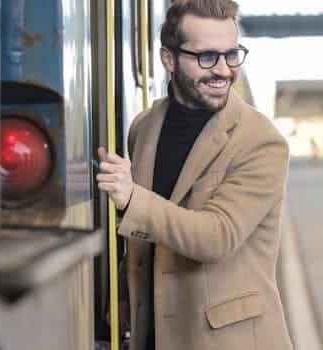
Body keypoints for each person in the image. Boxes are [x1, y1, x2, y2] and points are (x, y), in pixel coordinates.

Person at [96, 1, 292, 349]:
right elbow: (150, 235)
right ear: (168, 59)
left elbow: (218, 236)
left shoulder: (262, 142)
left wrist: (131, 199)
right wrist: (126, 296)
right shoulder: (144, 128)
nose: (223, 70)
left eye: (232, 55)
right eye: (206, 57)